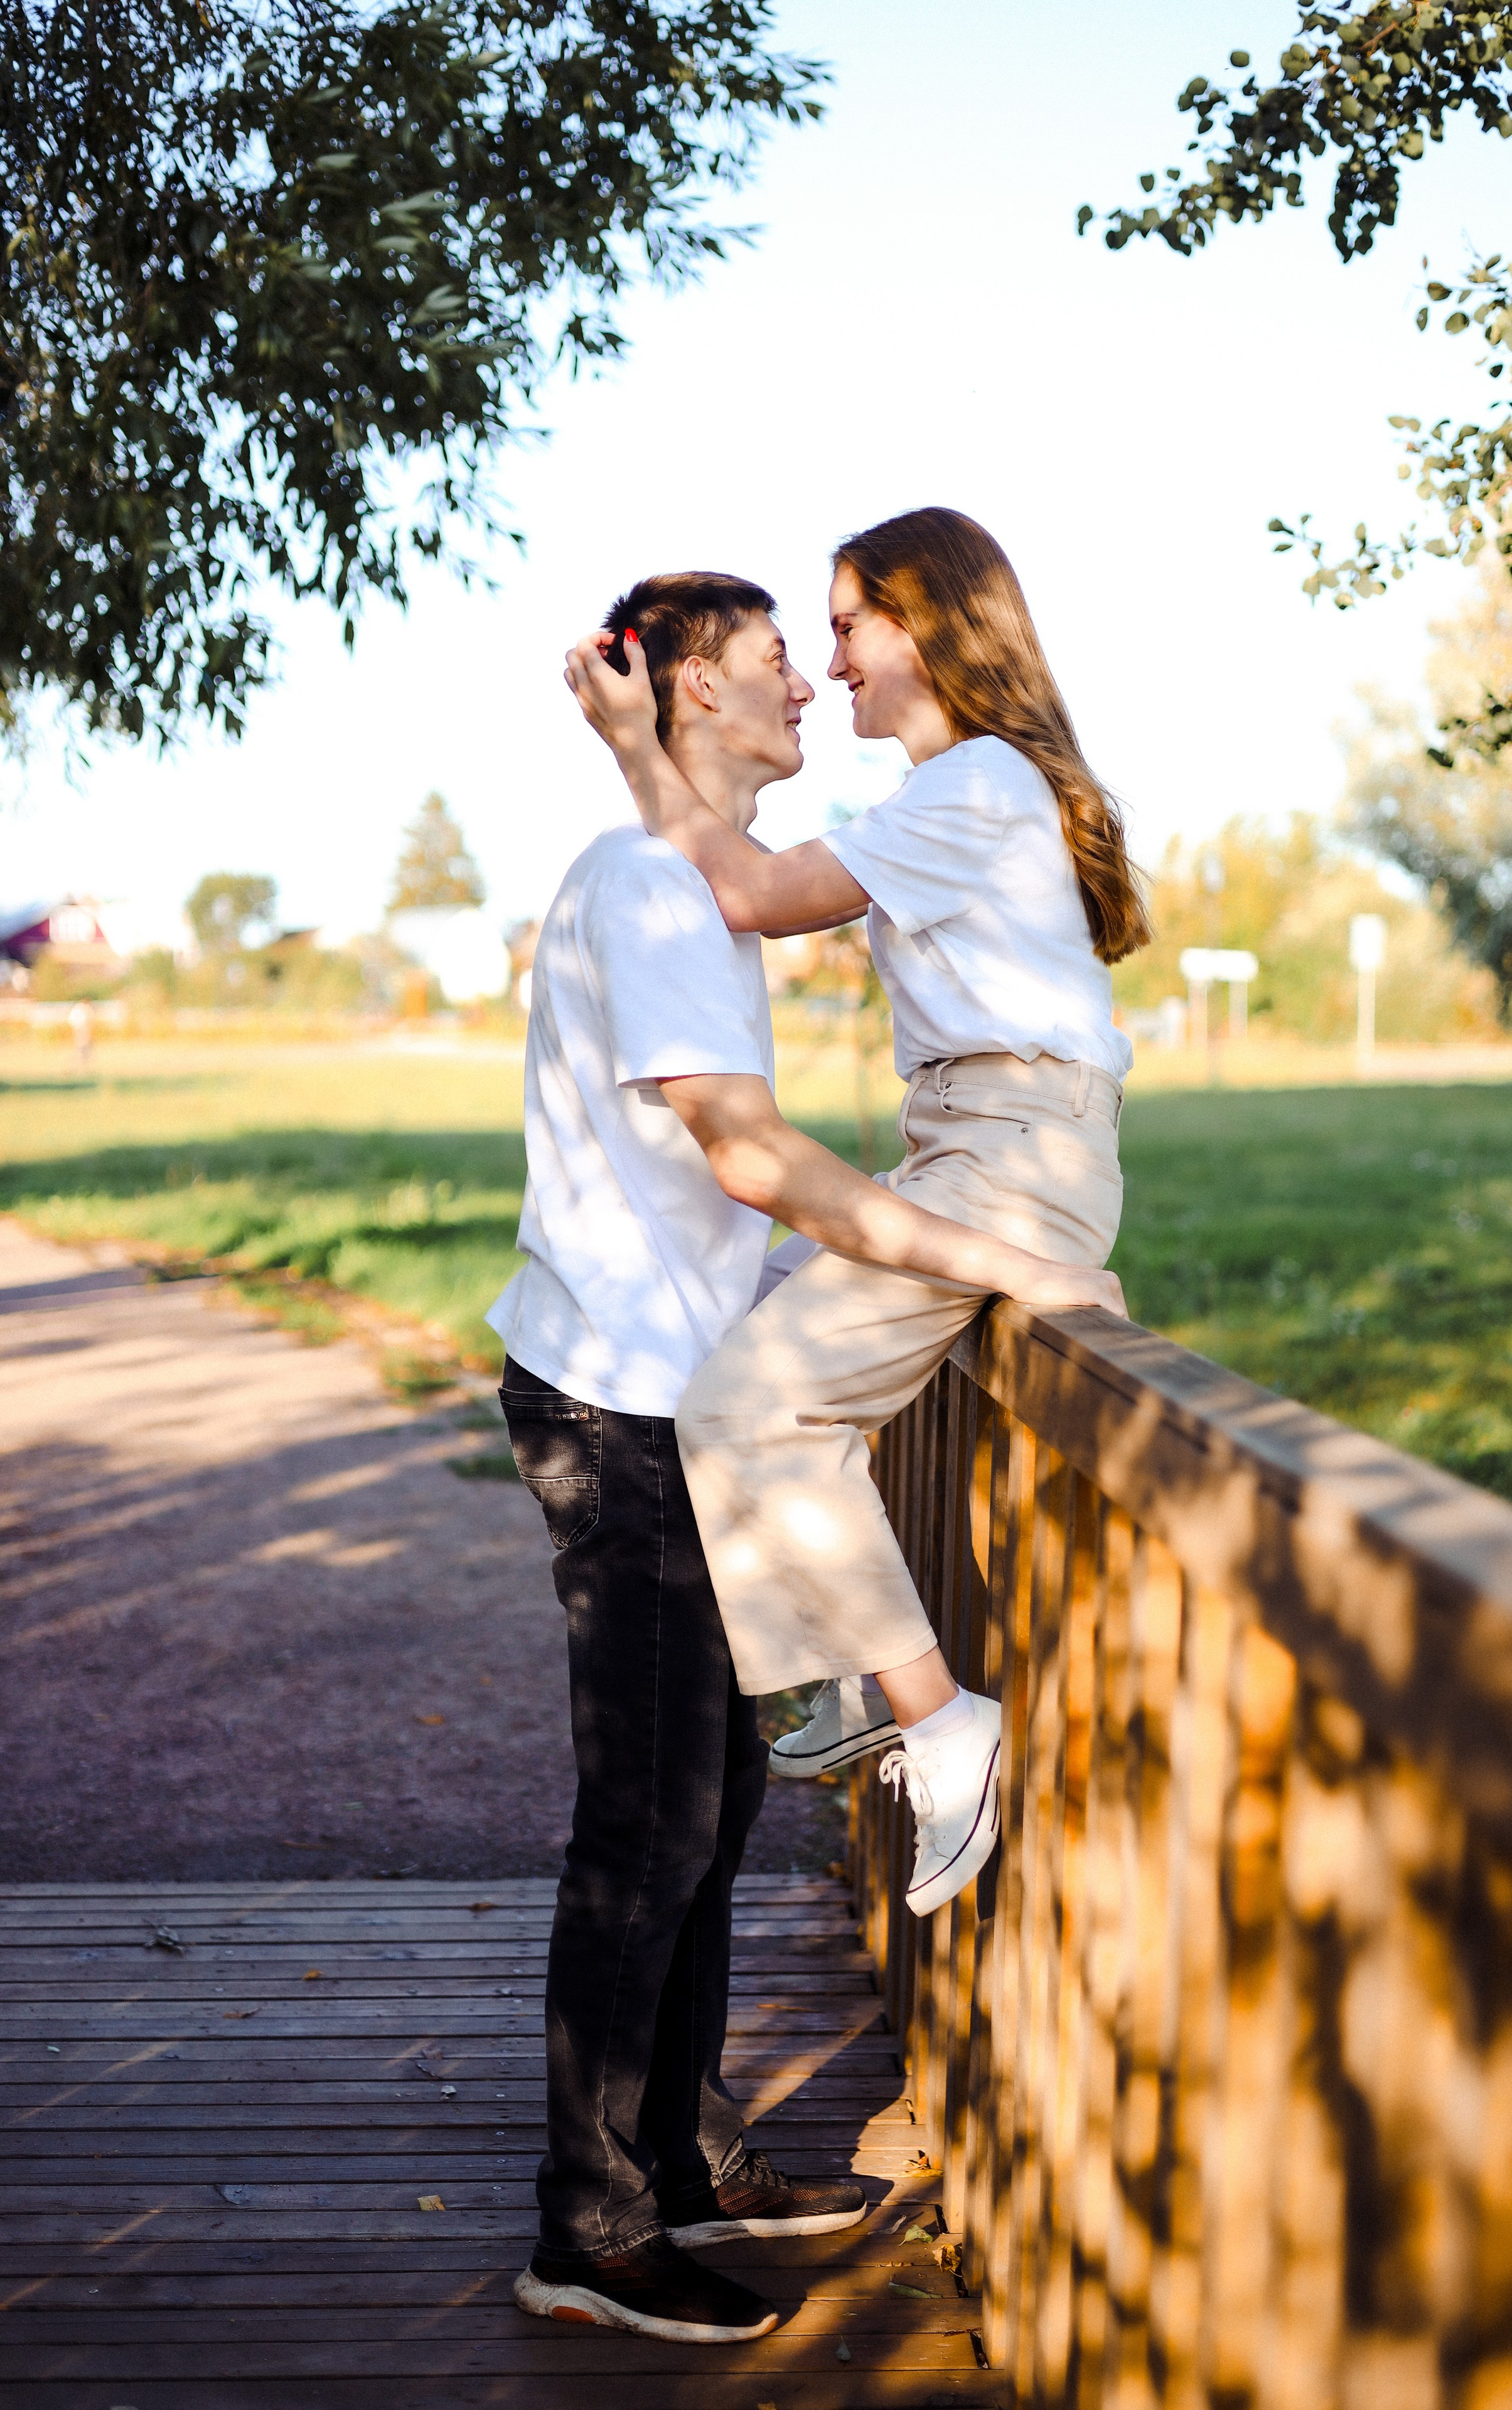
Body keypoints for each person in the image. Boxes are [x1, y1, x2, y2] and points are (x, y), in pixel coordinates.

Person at [492, 567, 1123, 2349]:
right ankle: (594, 2226)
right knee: (648, 1828)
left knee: (706, 1810)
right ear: (691, 690)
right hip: (623, 1410)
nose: (803, 685)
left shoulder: (682, 876)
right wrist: (981, 1258)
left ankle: (680, 2158)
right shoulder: (654, 889)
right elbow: (754, 1159)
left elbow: (716, 1178)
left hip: (658, 1381)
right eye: (777, 657)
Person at [563, 506, 1150, 1926]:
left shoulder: (979, 783)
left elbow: (754, 894)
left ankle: (938, 1716)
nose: (829, 667)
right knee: (752, 1332)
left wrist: (636, 746)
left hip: (1012, 1150)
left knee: (750, 1406)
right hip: (968, 1141)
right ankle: (843, 1667)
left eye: (845, 628)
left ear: (925, 626)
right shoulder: (954, 790)